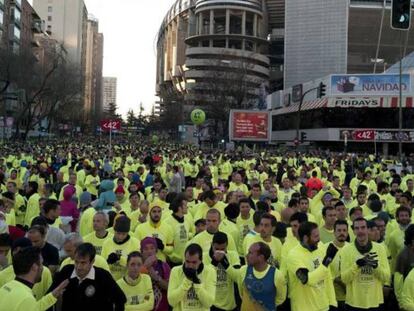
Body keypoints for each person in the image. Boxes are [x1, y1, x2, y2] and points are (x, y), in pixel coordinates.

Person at [50, 243, 126, 311]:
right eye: (76, 262)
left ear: (92, 261)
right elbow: (49, 296)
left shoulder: (103, 276)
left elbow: (120, 299)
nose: (78, 267)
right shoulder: (66, 272)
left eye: (83, 262)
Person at [340, 217, 390, 310]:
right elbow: (344, 279)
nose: (360, 231)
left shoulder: (380, 249)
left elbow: (386, 277)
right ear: (353, 231)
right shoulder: (346, 250)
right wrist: (357, 265)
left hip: (375, 302)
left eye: (363, 227)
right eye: (357, 228)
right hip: (354, 303)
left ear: (368, 229)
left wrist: (375, 266)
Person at [286, 221, 338, 311]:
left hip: (324, 306)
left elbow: (327, 277)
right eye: (316, 236)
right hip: (304, 308)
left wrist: (333, 302)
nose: (319, 239)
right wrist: (325, 263)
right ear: (306, 238)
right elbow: (308, 280)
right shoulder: (293, 255)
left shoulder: (320, 247)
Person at [0, 246, 67, 311]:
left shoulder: (5, 287)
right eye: (41, 264)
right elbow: (28, 305)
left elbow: (32, 308)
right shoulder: (26, 299)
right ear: (34, 267)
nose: (43, 268)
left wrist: (52, 296)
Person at [167, 243, 216, 311]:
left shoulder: (210, 272)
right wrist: (187, 280)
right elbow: (171, 302)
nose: (190, 266)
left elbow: (209, 303)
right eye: (187, 261)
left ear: (200, 260)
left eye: (194, 262)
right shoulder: (175, 271)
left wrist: (196, 282)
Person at [203, 232, 240, 311]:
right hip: (212, 304)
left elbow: (237, 278)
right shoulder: (204, 257)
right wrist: (214, 263)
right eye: (216, 249)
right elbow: (204, 279)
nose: (219, 252)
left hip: (230, 304)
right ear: (212, 245)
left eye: (222, 249)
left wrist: (226, 264)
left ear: (227, 245)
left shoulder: (233, 255)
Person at [101, 215, 140, 280]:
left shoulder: (135, 243)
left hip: (128, 282)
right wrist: (107, 262)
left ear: (128, 233)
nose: (120, 237)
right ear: (114, 231)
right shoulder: (107, 243)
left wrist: (119, 258)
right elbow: (102, 265)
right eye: (118, 233)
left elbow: (137, 266)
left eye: (123, 234)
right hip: (110, 281)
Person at [140, 237, 170, 311]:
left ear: (156, 250)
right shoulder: (137, 265)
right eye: (146, 249)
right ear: (141, 252)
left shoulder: (164, 265)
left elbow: (169, 288)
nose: (149, 251)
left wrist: (156, 277)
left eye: (152, 248)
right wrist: (145, 267)